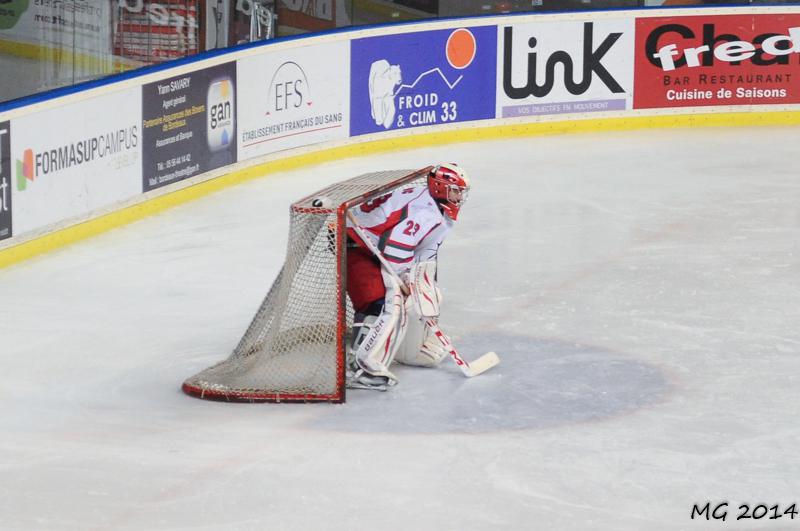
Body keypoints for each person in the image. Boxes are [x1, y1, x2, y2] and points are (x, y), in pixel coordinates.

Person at [344, 163, 470, 390]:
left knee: (424, 296)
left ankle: (410, 350)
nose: (459, 197)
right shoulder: (425, 212)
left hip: (374, 244)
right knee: (384, 303)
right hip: (353, 242)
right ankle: (359, 367)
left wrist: (418, 281)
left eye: (461, 191)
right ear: (440, 188)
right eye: (455, 191)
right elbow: (394, 249)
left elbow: (426, 251)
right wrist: (404, 278)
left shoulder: (439, 210)